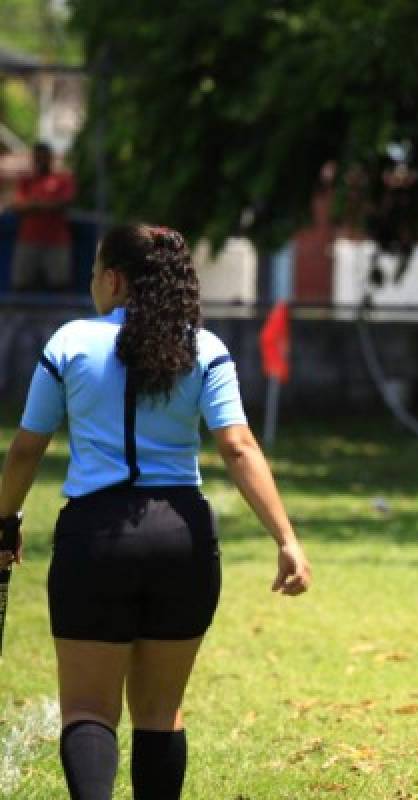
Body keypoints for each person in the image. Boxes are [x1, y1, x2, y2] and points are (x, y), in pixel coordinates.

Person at [0, 224, 312, 800]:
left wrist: (5, 521)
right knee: (161, 712)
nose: (92, 281)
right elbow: (239, 446)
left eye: (95, 271)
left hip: (95, 538)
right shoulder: (206, 347)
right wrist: (286, 538)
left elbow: (25, 448)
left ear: (114, 279)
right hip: (182, 539)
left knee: (89, 712)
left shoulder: (68, 343)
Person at [10, 142, 77, 291]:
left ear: (50, 158)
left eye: (43, 157)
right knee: (21, 285)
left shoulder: (63, 179)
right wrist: (45, 205)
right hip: (28, 240)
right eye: (37, 158)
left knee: (59, 285)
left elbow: (63, 204)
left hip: (57, 241)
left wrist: (34, 205)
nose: (40, 161)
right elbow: (17, 206)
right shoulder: (26, 181)